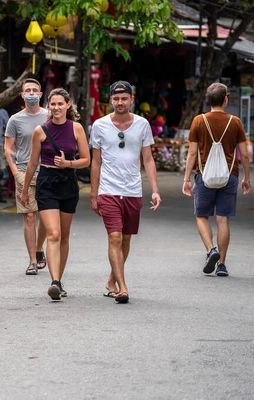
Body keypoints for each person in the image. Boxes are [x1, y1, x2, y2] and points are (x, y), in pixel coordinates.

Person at [90, 80, 162, 304]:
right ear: (110, 100)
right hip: (108, 190)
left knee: (126, 239)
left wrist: (155, 190)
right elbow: (95, 162)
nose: (120, 102)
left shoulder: (142, 125)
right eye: (116, 99)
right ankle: (123, 287)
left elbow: (148, 159)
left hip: (132, 190)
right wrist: (94, 194)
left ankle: (112, 280)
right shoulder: (100, 125)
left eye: (124, 98)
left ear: (132, 99)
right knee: (115, 237)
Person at [21, 88, 90, 300]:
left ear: (68, 105)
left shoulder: (77, 129)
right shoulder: (40, 131)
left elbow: (86, 160)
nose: (57, 108)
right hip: (47, 183)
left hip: (68, 182)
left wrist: (67, 163)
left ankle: (59, 279)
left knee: (65, 236)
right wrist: (25, 190)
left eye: (60, 104)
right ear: (48, 106)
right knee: (54, 234)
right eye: (53, 104)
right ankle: (55, 282)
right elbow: (33, 162)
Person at [182, 82, 251, 277]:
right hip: (229, 176)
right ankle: (221, 263)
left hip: (205, 176)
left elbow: (192, 153)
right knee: (223, 219)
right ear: (226, 100)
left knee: (202, 215)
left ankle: (211, 250)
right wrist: (246, 177)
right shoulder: (235, 122)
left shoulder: (198, 121)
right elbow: (244, 155)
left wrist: (186, 179)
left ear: (208, 100)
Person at [4, 78, 48, 275]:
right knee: (30, 216)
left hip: (48, 172)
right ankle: (32, 260)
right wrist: (15, 172)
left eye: (34, 90)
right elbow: (8, 148)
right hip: (24, 173)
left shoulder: (50, 116)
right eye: (27, 90)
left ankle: (39, 249)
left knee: (47, 218)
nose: (31, 93)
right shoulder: (15, 120)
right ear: (22, 95)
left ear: (40, 94)